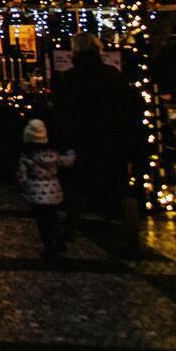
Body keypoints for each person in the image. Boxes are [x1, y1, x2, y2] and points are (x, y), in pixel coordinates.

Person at [52, 32, 140, 245]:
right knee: (122, 188)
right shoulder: (113, 75)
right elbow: (129, 108)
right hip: (114, 138)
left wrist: (64, 140)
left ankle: (69, 232)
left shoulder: (72, 77)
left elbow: (65, 113)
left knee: (78, 187)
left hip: (84, 140)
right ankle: (132, 234)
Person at [15, 118, 75, 261]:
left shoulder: (27, 156)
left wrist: (23, 187)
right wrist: (72, 153)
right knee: (53, 217)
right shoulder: (53, 154)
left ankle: (49, 247)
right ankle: (59, 239)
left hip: (35, 194)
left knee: (43, 222)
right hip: (54, 192)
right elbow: (66, 162)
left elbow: (21, 176)